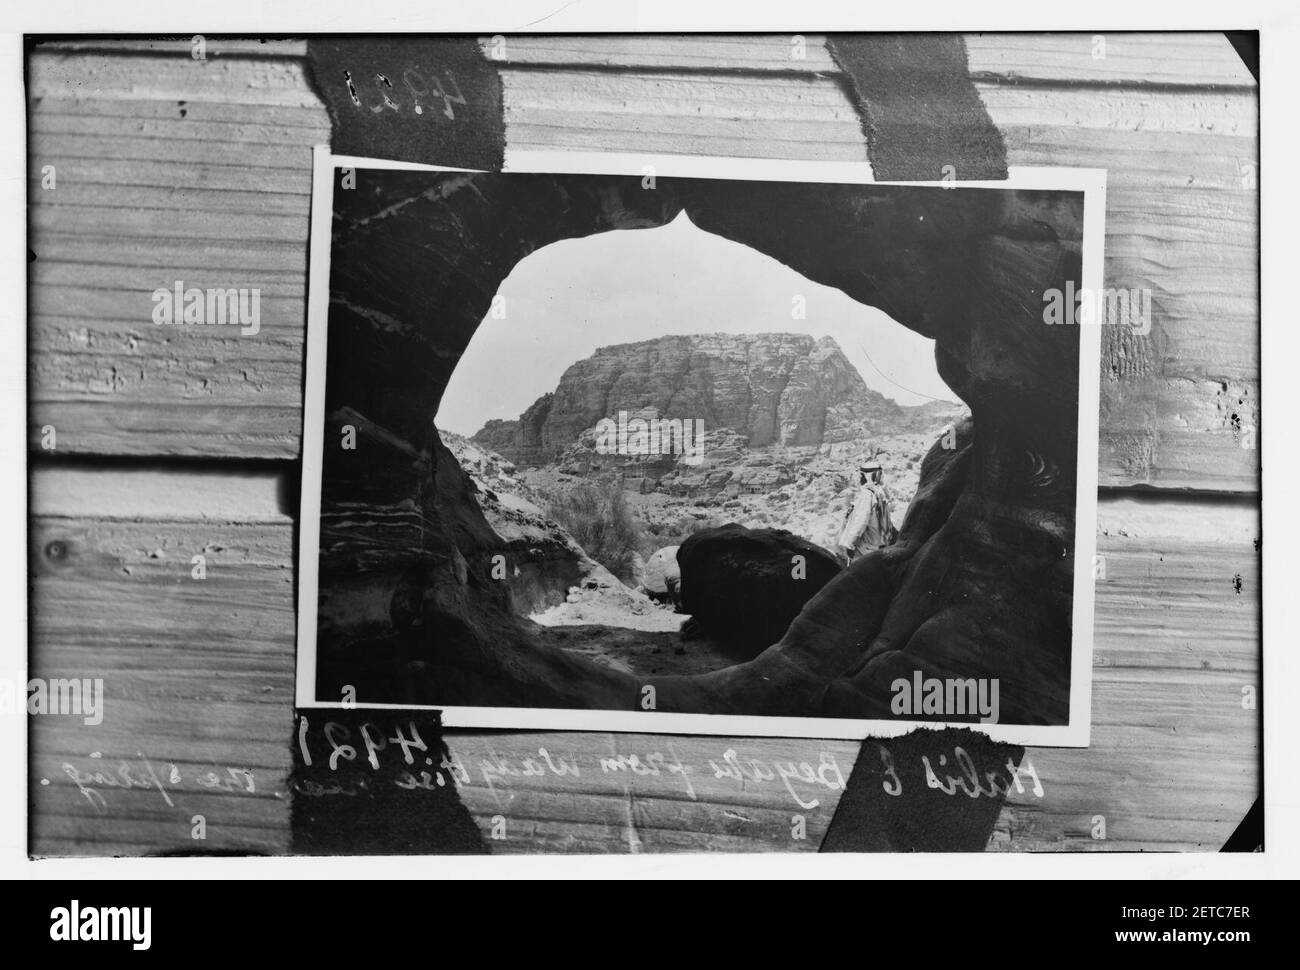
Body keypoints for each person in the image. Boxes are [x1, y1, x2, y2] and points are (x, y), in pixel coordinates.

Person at [835, 462, 897, 563]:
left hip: (865, 550)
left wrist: (849, 544)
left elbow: (860, 521)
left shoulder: (866, 496)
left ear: (868, 476)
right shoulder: (880, 492)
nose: (860, 478)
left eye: (862, 475)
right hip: (880, 546)